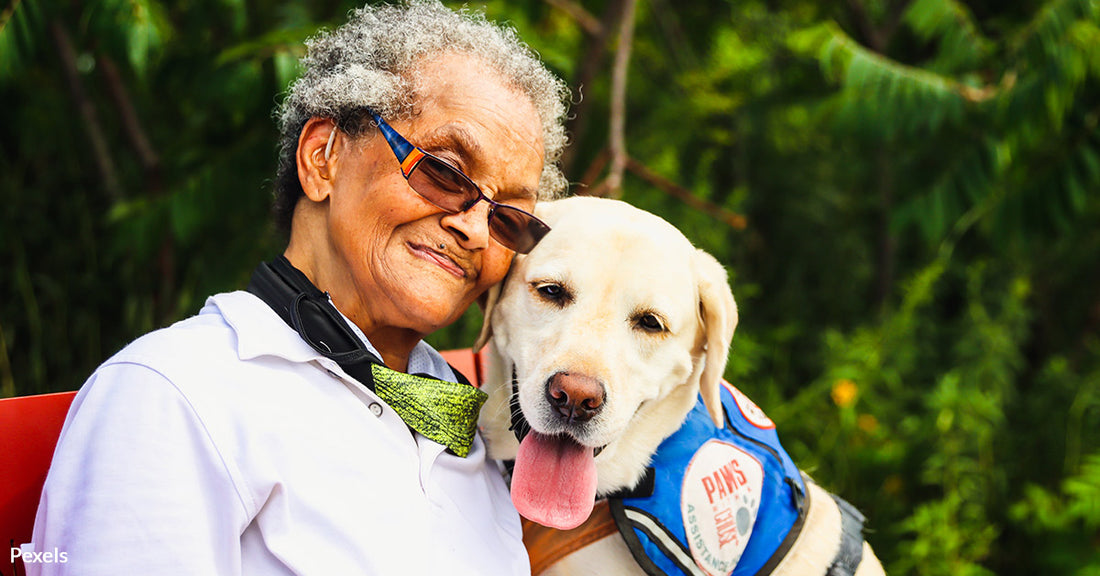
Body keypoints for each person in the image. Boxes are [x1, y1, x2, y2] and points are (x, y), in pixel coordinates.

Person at [28, 2, 569, 574]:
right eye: (443, 171)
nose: (475, 229)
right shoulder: (175, 394)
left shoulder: (474, 425)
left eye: (508, 217)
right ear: (322, 158)